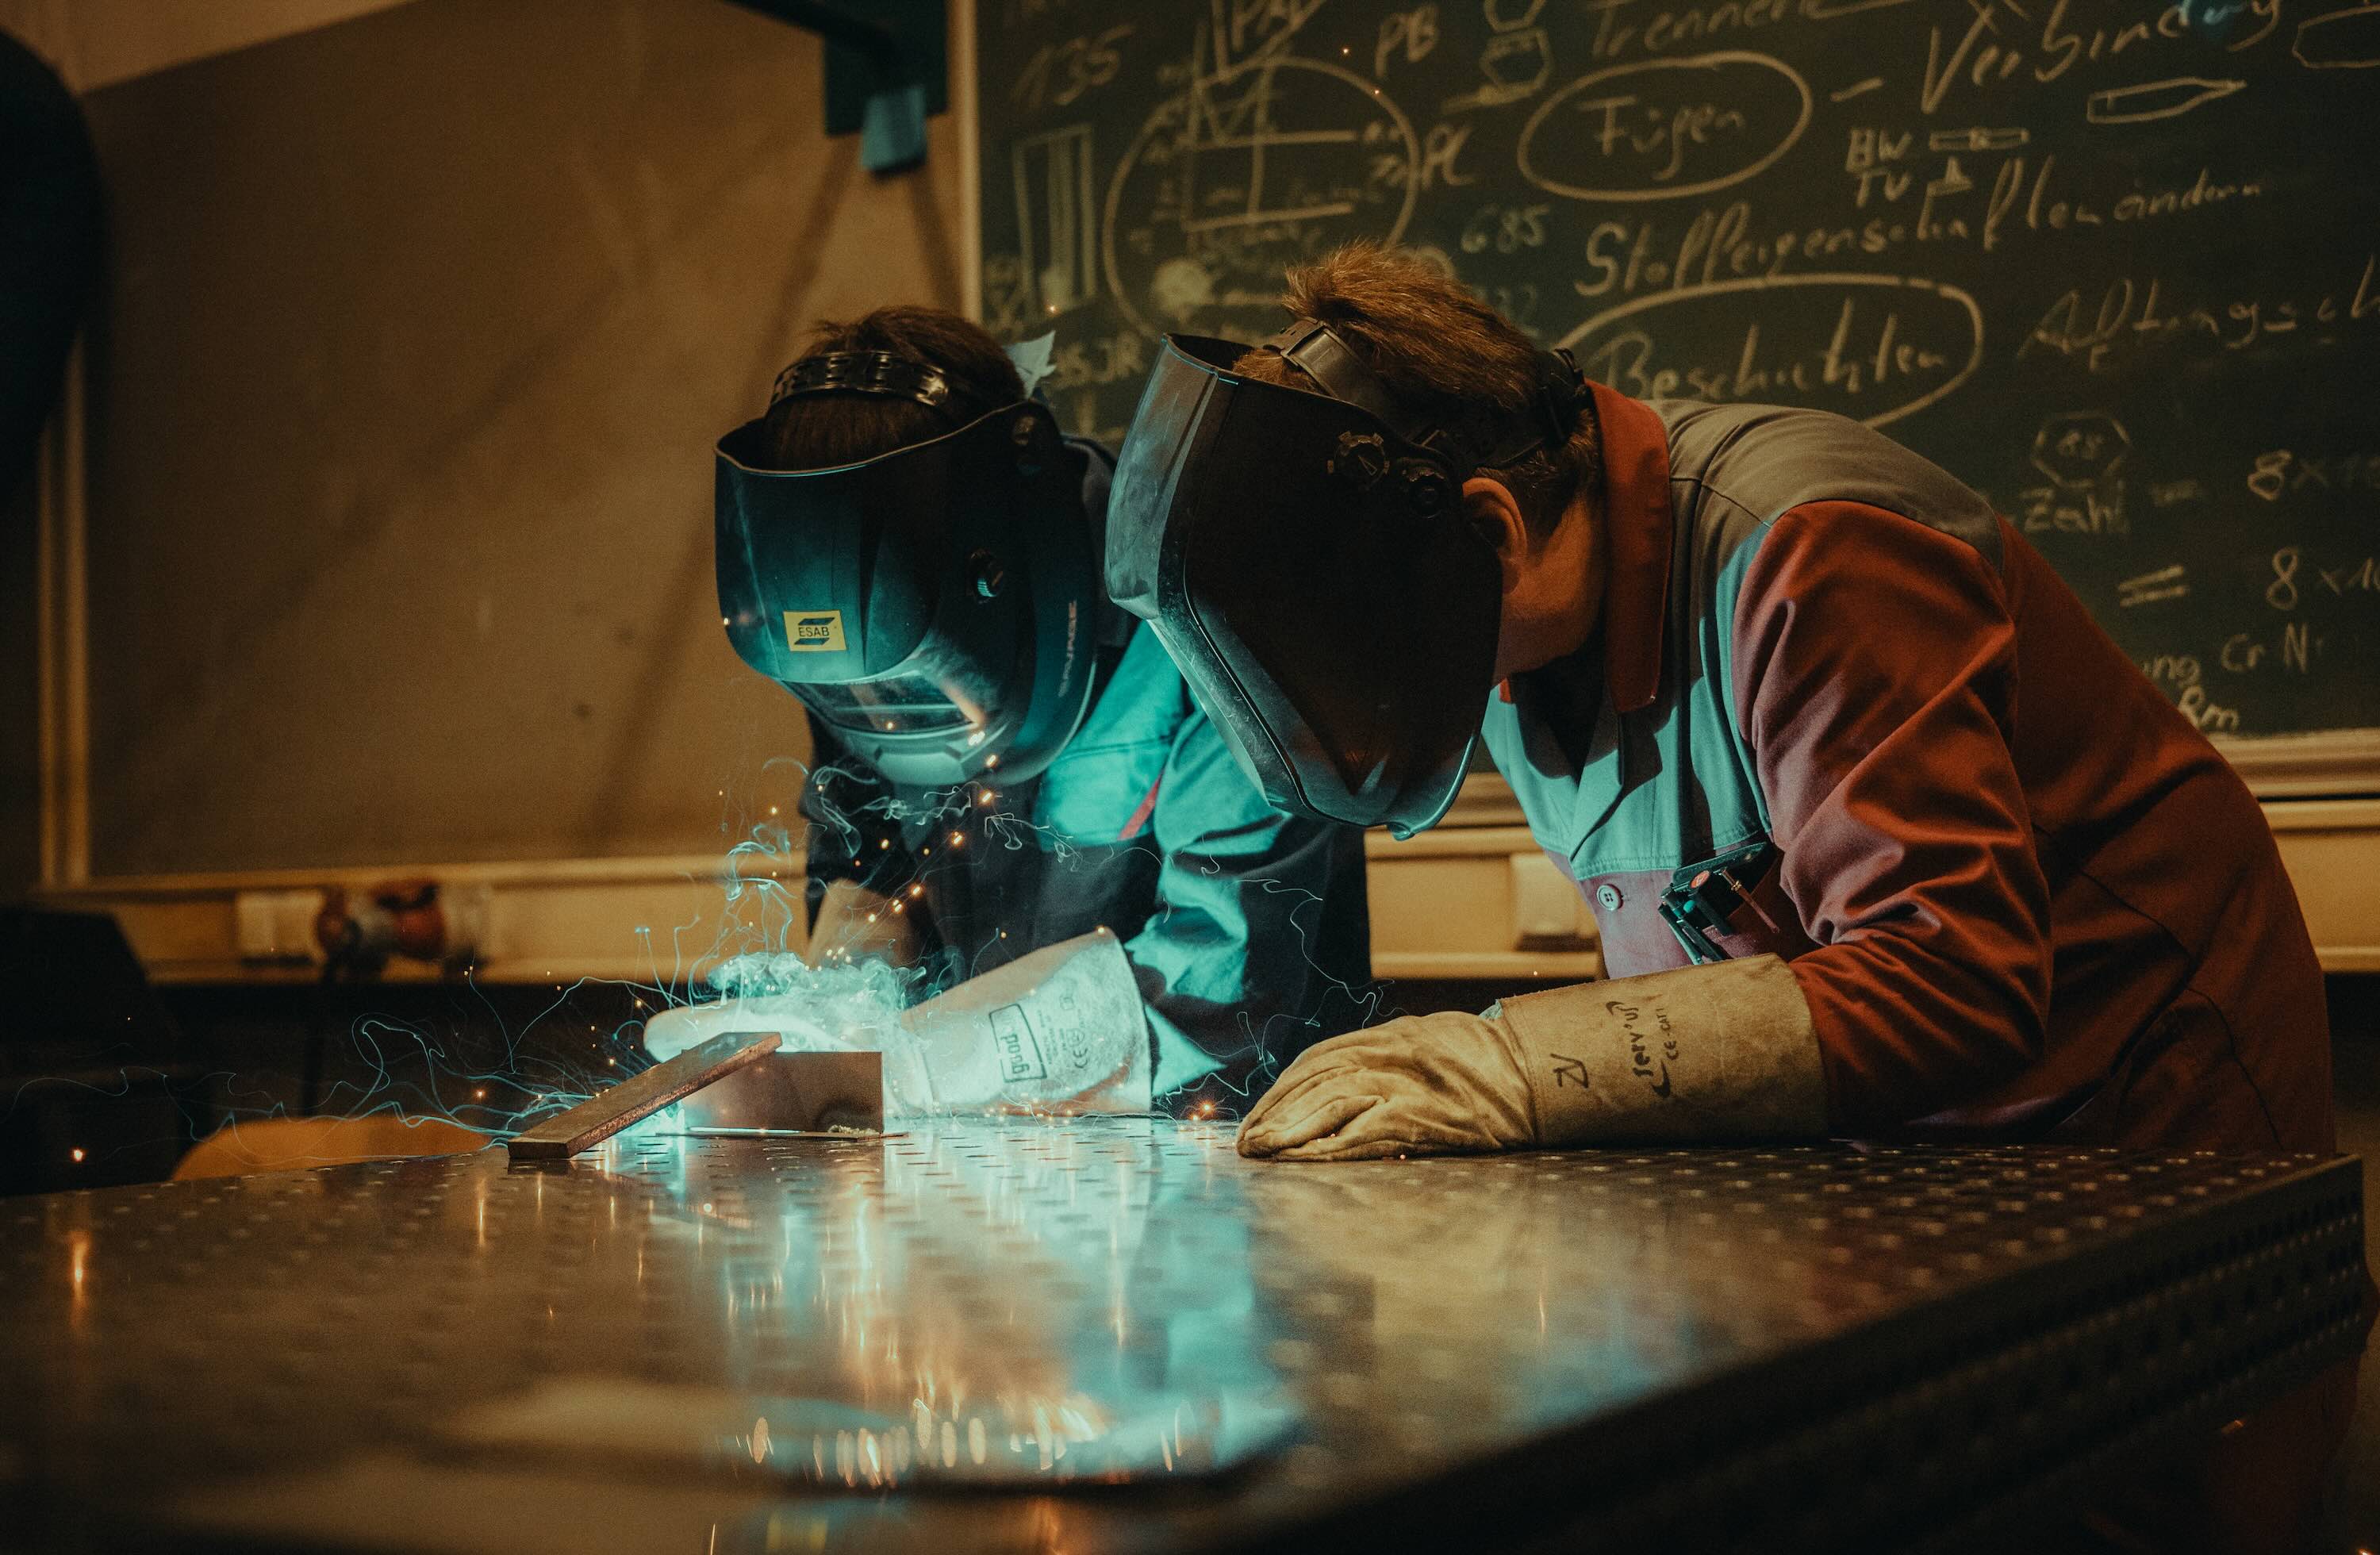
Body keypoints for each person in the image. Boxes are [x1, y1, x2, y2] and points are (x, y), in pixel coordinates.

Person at [1104, 244, 2361, 1549]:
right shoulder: (1533, 644)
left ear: (1488, 528)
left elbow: (1953, 974)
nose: (1456, 696)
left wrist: (1513, 1065)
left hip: (2141, 1159)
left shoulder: (1814, 553)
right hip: (1913, 1178)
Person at [710, 305, 1372, 1116]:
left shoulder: (1208, 600)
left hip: (1250, 1152)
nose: (881, 710)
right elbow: (866, 861)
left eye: (915, 676)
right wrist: (846, 1012)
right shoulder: (855, 661)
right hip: (1007, 1161)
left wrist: (934, 1068)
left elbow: (1224, 979)